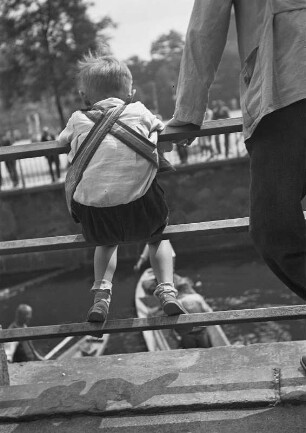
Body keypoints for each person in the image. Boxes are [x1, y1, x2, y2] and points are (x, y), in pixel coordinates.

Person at [166, 1, 306, 369]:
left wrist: (188, 113)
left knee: (274, 231)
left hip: (284, 90)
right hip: (285, 79)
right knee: (275, 230)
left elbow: (205, 28)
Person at [59, 54, 187, 325]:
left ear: (84, 96)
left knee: (106, 244)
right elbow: (165, 146)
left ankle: (102, 294)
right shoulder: (140, 111)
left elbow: (62, 142)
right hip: (142, 208)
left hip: (95, 214)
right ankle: (166, 289)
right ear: (131, 92)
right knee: (158, 238)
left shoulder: (77, 119)